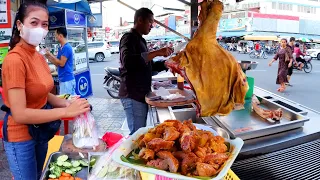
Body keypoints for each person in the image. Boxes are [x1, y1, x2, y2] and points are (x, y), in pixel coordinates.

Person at [1, 2, 90, 179]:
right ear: (19, 25)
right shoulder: (15, 60)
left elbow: (41, 92)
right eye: (34, 23)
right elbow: (19, 114)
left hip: (39, 131)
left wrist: (66, 102)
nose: (40, 29)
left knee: (39, 175)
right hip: (21, 136)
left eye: (44, 24)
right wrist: (64, 111)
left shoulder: (38, 56)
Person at [119, 8, 173, 135]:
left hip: (140, 93)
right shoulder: (128, 38)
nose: (152, 26)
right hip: (132, 94)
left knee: (140, 132)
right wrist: (157, 52)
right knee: (137, 134)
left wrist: (166, 63)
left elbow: (146, 64)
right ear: (140, 20)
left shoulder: (141, 40)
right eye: (150, 22)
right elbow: (128, 61)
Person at [45, 27, 76, 95]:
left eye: (56, 35)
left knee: (67, 102)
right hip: (63, 79)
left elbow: (62, 63)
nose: (55, 37)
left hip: (67, 80)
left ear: (60, 36)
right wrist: (48, 56)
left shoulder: (66, 47)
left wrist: (51, 54)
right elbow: (57, 63)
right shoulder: (61, 48)